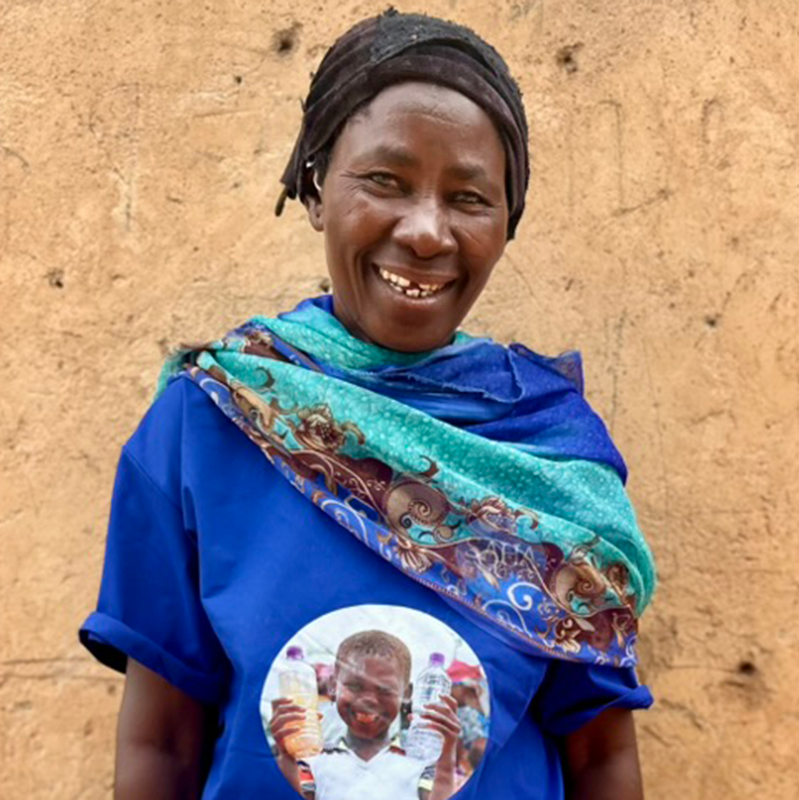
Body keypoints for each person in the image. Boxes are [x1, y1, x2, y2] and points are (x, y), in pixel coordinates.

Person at [80, 10, 656, 799]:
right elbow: (162, 745)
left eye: (469, 198)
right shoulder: (211, 421)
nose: (426, 231)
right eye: (385, 181)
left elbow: (601, 759)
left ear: (506, 224)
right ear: (317, 188)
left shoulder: (550, 461)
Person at [270, 631, 460, 800]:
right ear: (333, 686)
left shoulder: (419, 763)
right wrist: (286, 756)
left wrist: (447, 758)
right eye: (354, 686)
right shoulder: (314, 760)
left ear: (407, 694)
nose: (368, 700)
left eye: (385, 690)